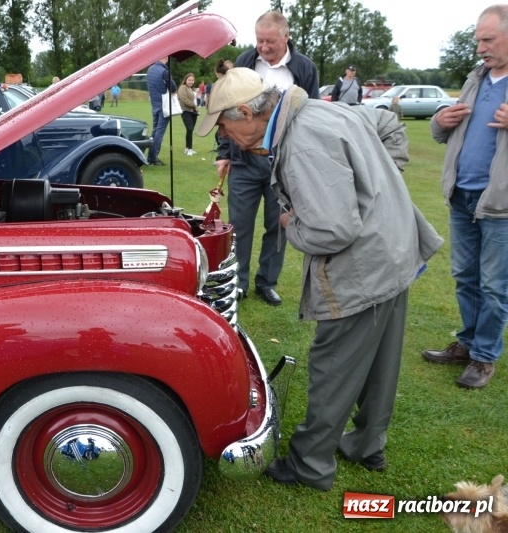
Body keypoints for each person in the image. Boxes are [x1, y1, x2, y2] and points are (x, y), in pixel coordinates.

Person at [197, 67, 443, 491]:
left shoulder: (301, 143)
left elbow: (332, 230)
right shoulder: (321, 111)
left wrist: (292, 225)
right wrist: (382, 183)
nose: (226, 136)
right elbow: (385, 125)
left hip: (362, 267)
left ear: (244, 112)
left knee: (334, 366)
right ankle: (367, 445)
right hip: (393, 252)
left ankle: (310, 464)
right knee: (379, 362)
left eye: (223, 125)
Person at [422, 4, 508, 390]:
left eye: (488, 40)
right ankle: (468, 343)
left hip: (501, 204)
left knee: (493, 284)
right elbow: (445, 130)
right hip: (462, 196)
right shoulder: (477, 78)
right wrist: (440, 120)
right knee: (465, 278)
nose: (480, 48)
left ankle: (484, 356)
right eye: (478, 40)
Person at [213, 11, 319, 306]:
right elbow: (226, 110)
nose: (264, 46)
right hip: (244, 159)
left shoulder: (305, 68)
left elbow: (310, 115)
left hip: (283, 162)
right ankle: (238, 282)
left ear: (286, 36)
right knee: (239, 224)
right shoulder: (246, 61)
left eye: (270, 40)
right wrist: (225, 153)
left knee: (278, 224)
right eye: (260, 40)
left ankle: (267, 282)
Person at [146, 57, 177, 166]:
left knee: (155, 130)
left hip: (154, 104)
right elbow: (173, 87)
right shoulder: (164, 71)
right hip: (164, 104)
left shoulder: (150, 69)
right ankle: (154, 157)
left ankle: (150, 156)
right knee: (160, 132)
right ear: (165, 58)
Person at [177, 73, 200, 156]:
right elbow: (184, 99)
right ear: (185, 80)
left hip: (193, 112)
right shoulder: (183, 87)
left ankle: (188, 148)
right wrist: (194, 106)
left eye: (192, 80)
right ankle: (189, 149)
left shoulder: (191, 89)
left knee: (190, 130)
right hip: (185, 111)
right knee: (189, 128)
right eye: (189, 80)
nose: (191, 81)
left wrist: (196, 107)